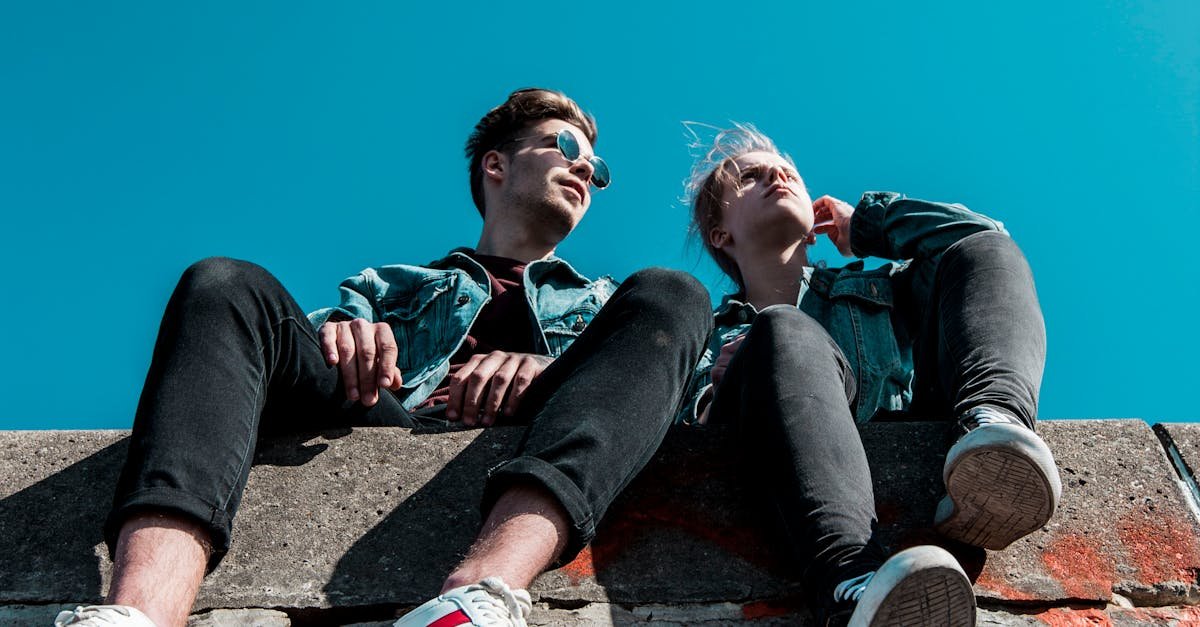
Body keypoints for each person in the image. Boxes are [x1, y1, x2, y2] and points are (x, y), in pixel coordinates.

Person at [54, 88, 712, 627]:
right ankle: (139, 611)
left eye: (595, 168)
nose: (583, 170)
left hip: (543, 433)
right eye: (566, 146)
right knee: (223, 283)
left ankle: (479, 596)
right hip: (393, 413)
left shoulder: (608, 303)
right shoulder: (392, 286)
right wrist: (344, 336)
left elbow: (668, 398)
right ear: (496, 165)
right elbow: (259, 365)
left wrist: (544, 370)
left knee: (674, 292)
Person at [680, 124, 1061, 626]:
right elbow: (666, 423)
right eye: (751, 176)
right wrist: (710, 401)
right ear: (719, 233)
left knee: (983, 250)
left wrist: (868, 224)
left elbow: (978, 237)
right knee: (783, 328)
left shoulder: (881, 290)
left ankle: (995, 427)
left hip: (896, 426)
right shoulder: (701, 331)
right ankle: (853, 587)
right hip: (775, 470)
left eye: (787, 170)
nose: (776, 173)